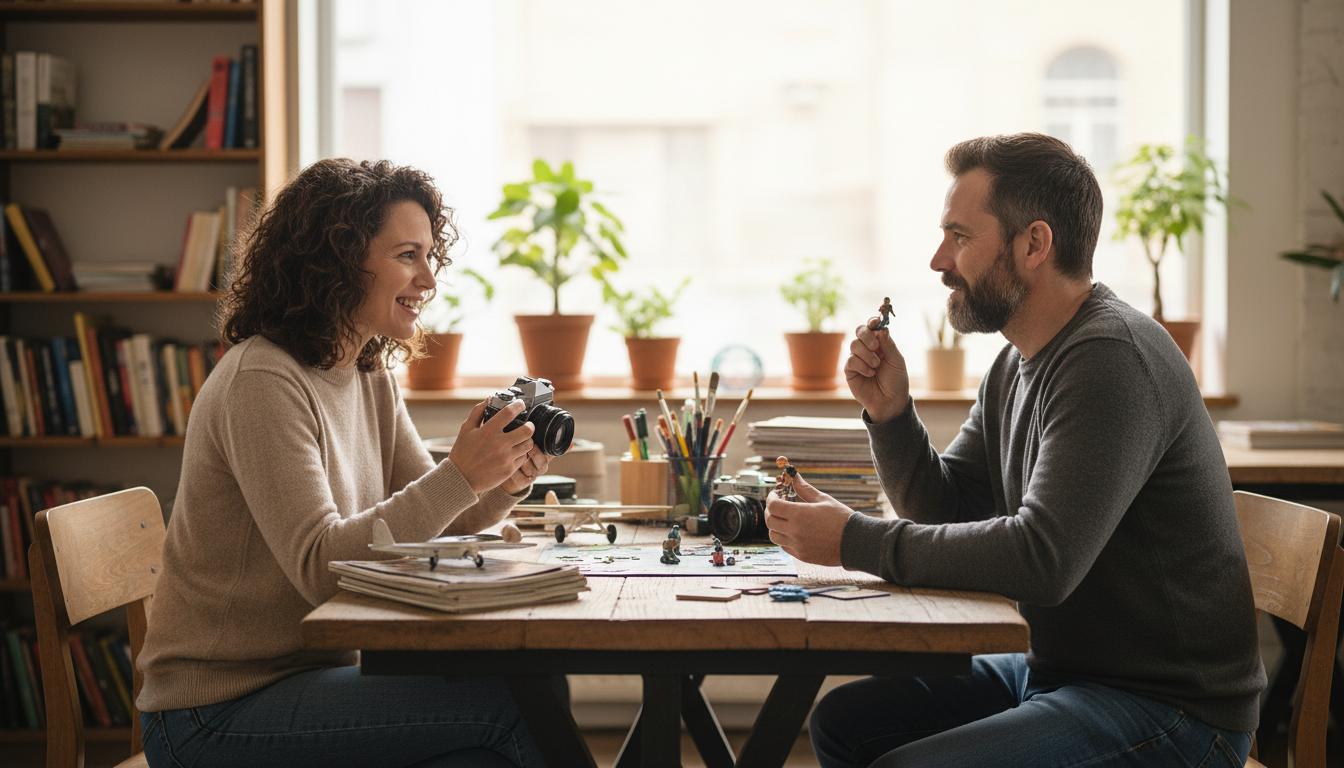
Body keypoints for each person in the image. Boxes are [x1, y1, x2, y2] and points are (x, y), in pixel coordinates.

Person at [764, 133, 1264, 767]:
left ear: (1034, 244)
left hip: (1171, 711)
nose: (939, 259)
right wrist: (891, 415)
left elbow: (1042, 559)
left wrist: (852, 540)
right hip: (1060, 674)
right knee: (844, 725)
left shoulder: (1111, 358)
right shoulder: (1016, 362)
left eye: (961, 236)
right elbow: (945, 511)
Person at [135, 159, 550, 767]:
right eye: (408, 254)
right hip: (213, 711)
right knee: (510, 707)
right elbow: (321, 570)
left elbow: (441, 519)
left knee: (502, 729)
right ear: (337, 259)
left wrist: (503, 474)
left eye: (430, 255)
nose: (428, 280)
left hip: (307, 678)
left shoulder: (363, 372)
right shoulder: (262, 379)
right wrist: (460, 472)